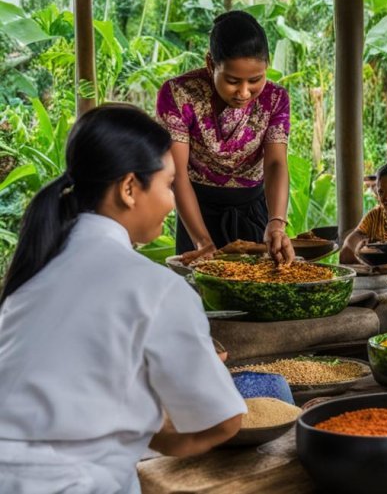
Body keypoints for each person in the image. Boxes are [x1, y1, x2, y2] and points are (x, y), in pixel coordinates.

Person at [0, 105, 245, 493]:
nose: (171, 202)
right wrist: (161, 417)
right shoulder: (156, 287)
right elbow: (223, 420)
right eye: (168, 185)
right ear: (129, 188)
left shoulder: (31, 276)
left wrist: (132, 413)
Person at [156, 10, 294, 265]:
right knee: (200, 294)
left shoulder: (276, 99)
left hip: (253, 210)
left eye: (255, 80)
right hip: (196, 211)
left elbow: (275, 163)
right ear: (211, 64)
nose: (244, 92)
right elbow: (178, 173)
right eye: (232, 80)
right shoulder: (179, 94)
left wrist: (276, 223)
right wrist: (202, 241)